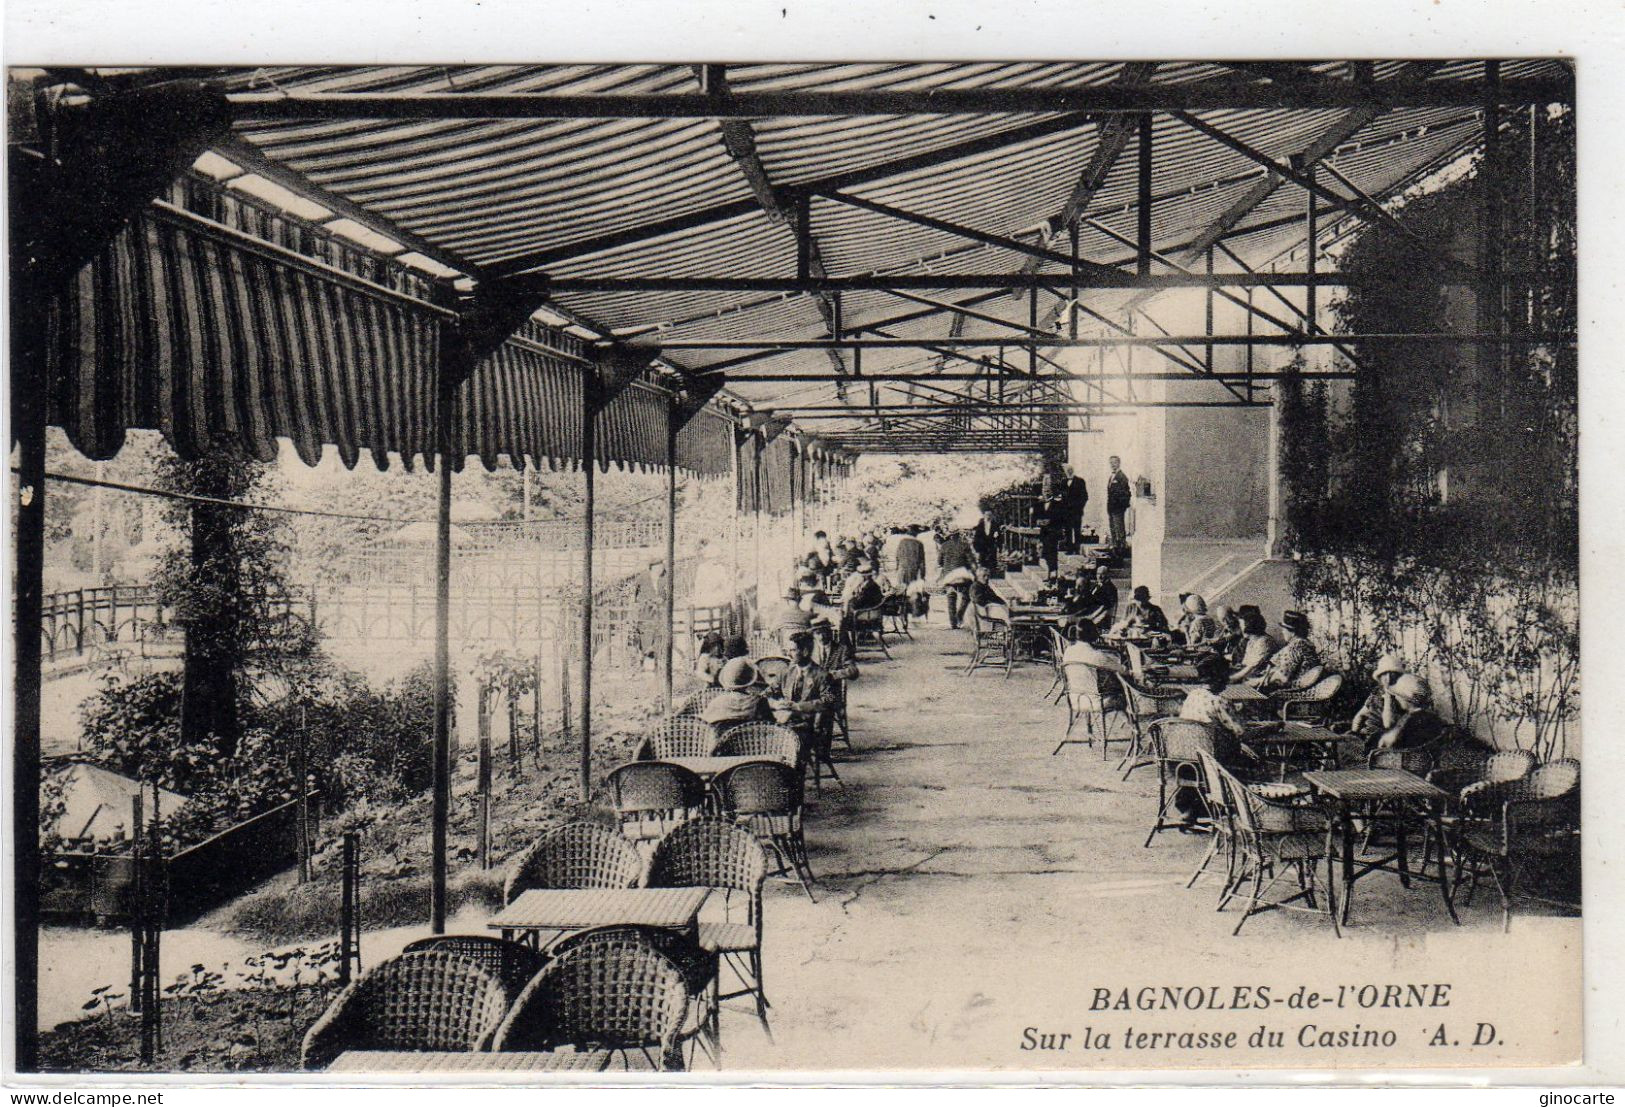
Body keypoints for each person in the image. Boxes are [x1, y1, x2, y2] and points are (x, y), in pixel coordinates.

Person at [770, 628, 839, 737]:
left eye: (792, 650)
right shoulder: (787, 672)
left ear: (805, 651)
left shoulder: (822, 675)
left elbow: (828, 701)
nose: (788, 654)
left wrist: (798, 706)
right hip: (785, 722)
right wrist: (773, 702)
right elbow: (770, 690)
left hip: (809, 725)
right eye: (788, 650)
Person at [1374, 674, 1448, 751]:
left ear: (1406, 700)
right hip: (1427, 760)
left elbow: (1388, 743)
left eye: (1398, 696)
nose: (1396, 698)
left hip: (1404, 760)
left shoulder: (1406, 721)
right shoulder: (1434, 718)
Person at [1253, 610, 1320, 693]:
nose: (1282, 631)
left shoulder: (1296, 646)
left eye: (1284, 629)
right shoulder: (1303, 642)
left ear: (1292, 631)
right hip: (1302, 686)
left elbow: (1283, 678)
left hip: (1296, 690)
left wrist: (1256, 681)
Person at [701, 657, 773, 727]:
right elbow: (771, 725)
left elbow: (704, 724)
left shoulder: (717, 702)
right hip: (749, 737)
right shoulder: (758, 701)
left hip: (723, 738)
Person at [936, 527, 977, 630]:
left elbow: (939, 562)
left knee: (951, 598)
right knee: (966, 596)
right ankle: (959, 615)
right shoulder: (965, 545)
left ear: (950, 535)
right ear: (959, 535)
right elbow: (971, 561)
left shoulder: (944, 546)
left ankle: (953, 623)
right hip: (962, 576)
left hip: (948, 577)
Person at [1230, 608, 1279, 681]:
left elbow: (1252, 667)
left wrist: (1231, 678)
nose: (1240, 628)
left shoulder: (1264, 642)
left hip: (1259, 679)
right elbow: (1247, 664)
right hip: (1249, 675)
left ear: (1249, 626)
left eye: (1241, 625)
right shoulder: (1252, 640)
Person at [1036, 472, 1067, 577]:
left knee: (1053, 556)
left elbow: (1060, 518)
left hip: (1053, 534)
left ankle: (1053, 576)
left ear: (1051, 492)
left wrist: (1050, 521)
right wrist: (1039, 522)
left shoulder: (1057, 504)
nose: (1046, 493)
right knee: (1046, 556)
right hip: (1044, 534)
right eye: (1044, 491)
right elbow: (1037, 517)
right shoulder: (1040, 505)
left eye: (1048, 491)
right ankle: (1050, 574)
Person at [1105, 455, 1131, 555]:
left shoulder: (1122, 476)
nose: (1112, 464)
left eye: (1114, 462)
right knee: (1113, 528)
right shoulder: (1111, 476)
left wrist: (1120, 506)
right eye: (1111, 462)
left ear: (1119, 463)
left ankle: (1121, 549)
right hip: (1111, 508)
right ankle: (1115, 548)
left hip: (1118, 508)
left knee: (1119, 528)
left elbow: (1125, 493)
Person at [1060, 464, 1090, 551]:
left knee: (1077, 530)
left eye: (1070, 470)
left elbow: (1085, 496)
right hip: (1066, 511)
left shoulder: (1080, 481)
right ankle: (1069, 548)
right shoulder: (1063, 482)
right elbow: (1062, 496)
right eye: (1067, 470)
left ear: (1072, 470)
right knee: (1067, 530)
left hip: (1076, 511)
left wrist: (1079, 507)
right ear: (1065, 472)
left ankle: (1077, 549)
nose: (1068, 472)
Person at [970, 503, 1000, 572]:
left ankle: (992, 574)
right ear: (984, 515)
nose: (988, 517)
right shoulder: (980, 525)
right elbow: (976, 537)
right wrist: (977, 547)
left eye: (990, 515)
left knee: (992, 563)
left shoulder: (995, 524)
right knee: (983, 563)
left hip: (991, 546)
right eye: (987, 515)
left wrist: (997, 540)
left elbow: (999, 535)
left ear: (992, 516)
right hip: (982, 547)